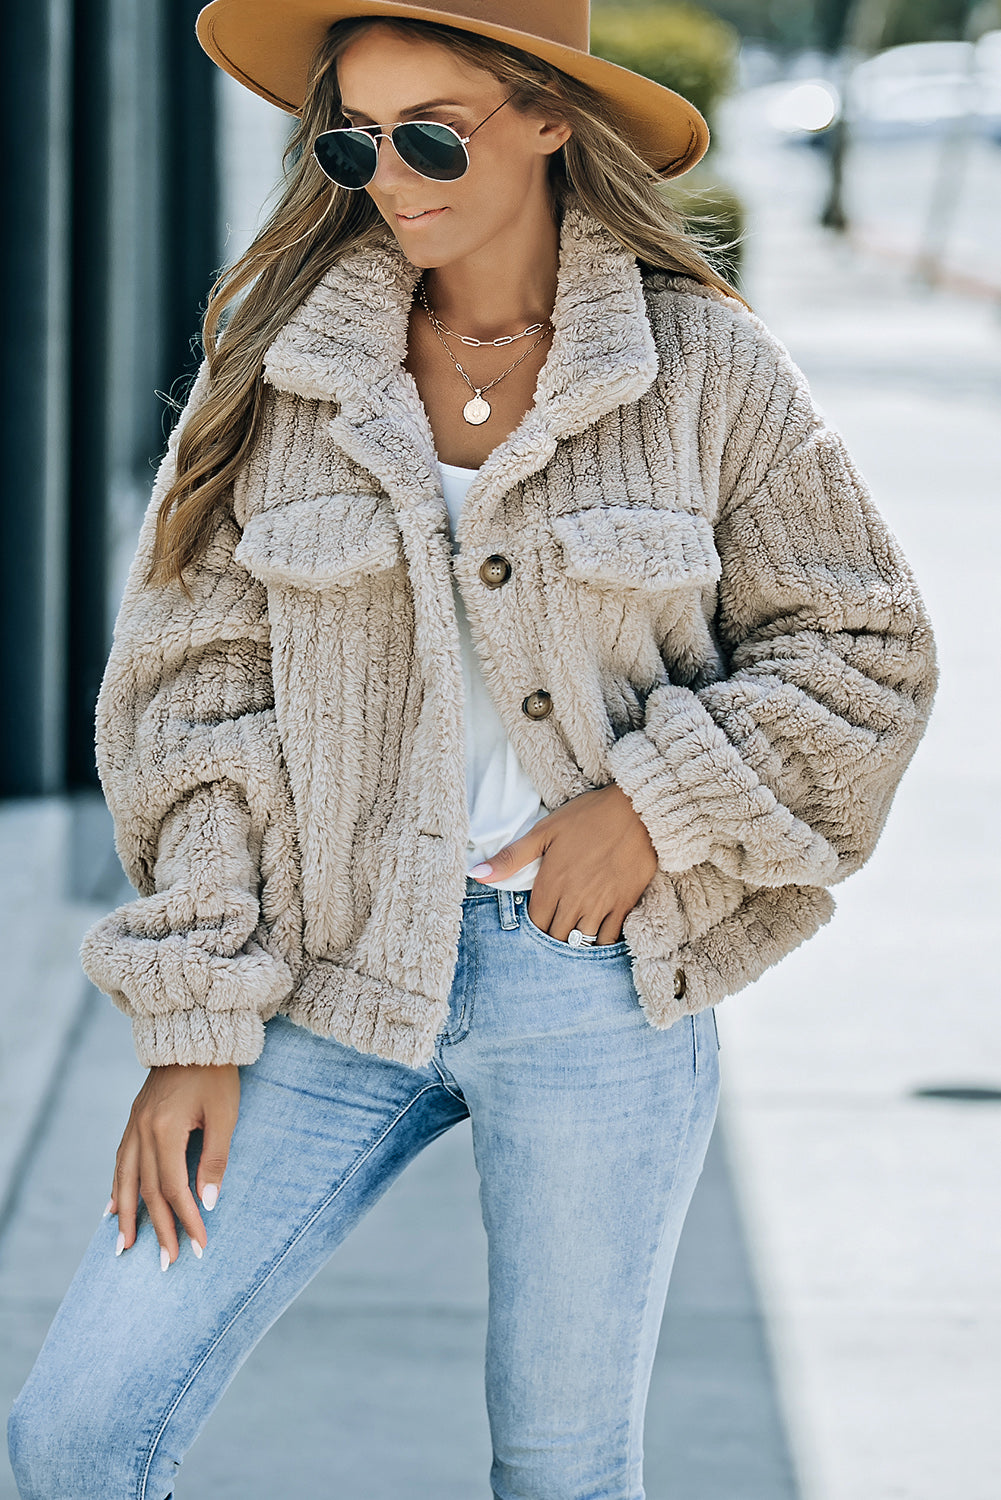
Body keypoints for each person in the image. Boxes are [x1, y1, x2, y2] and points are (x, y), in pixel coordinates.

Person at [7, 2, 938, 1496]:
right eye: (352, 139)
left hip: (592, 987)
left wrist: (652, 805)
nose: (391, 173)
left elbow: (866, 654)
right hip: (319, 969)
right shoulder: (276, 378)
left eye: (431, 130)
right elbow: (188, 708)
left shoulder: (704, 369)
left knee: (562, 1474)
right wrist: (190, 1016)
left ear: (550, 120)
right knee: (76, 1432)